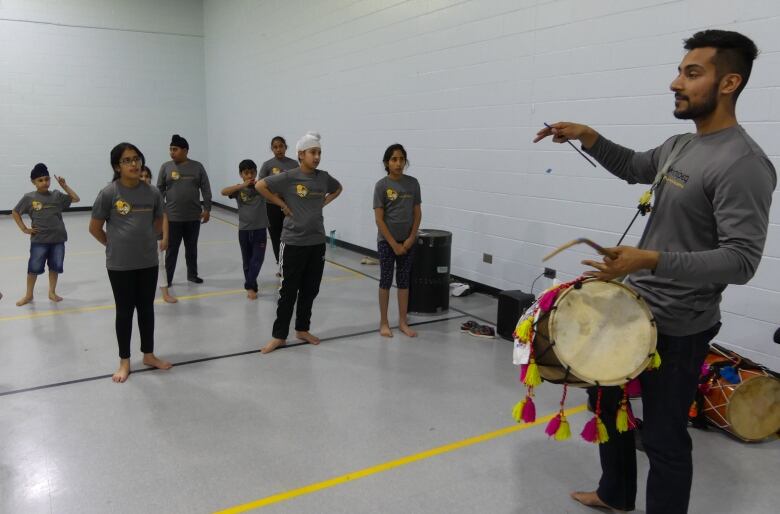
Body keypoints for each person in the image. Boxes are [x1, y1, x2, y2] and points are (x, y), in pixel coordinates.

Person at [534, 30, 775, 514]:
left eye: (691, 73)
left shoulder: (744, 164)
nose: (675, 82)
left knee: (664, 438)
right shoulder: (681, 144)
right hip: (632, 311)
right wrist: (587, 135)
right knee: (609, 409)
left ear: (729, 83)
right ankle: (615, 494)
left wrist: (651, 259)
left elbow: (742, 261)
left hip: (682, 326)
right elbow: (632, 165)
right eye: (680, 71)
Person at [89, 143, 173, 383]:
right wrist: (113, 245)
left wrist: (145, 240)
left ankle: (149, 354)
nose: (134, 164)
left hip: (147, 261)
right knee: (125, 311)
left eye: (136, 159)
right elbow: (94, 228)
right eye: (127, 160)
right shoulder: (109, 193)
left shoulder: (153, 193)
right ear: (118, 166)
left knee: (146, 309)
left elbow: (158, 223)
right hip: (120, 265)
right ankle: (124, 361)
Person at [255, 132, 342, 354]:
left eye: (319, 152)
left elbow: (338, 188)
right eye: (313, 152)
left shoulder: (323, 177)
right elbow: (260, 186)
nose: (317, 157)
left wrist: (323, 202)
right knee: (288, 291)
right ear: (301, 155)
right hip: (293, 242)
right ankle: (279, 335)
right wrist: (280, 204)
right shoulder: (289, 176)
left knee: (310, 289)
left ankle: (302, 328)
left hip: (316, 242)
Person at [12, 163, 80, 306]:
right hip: (39, 241)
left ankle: (52, 292)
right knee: (33, 269)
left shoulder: (56, 195)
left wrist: (64, 186)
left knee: (55, 267)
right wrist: (24, 228)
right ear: (33, 182)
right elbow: (15, 212)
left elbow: (75, 199)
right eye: (40, 180)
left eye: (46, 179)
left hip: (58, 239)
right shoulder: (29, 197)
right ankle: (29, 295)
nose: (44, 182)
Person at [373, 144, 422, 338]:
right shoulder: (382, 186)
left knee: (403, 281)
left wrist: (411, 238)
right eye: (394, 159)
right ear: (387, 163)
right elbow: (379, 219)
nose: (398, 163)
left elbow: (417, 213)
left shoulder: (413, 183)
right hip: (387, 242)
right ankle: (384, 322)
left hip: (407, 242)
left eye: (402, 159)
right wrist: (393, 243)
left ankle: (403, 321)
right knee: (385, 281)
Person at [157, 134, 212, 286]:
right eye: (170, 149)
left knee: (191, 249)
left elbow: (206, 188)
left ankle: (192, 275)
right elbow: (159, 190)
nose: (171, 152)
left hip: (193, 217)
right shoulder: (166, 167)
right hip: (172, 218)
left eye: (175, 149)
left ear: (185, 150)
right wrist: (160, 211)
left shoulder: (197, 166)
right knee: (171, 250)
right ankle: (167, 278)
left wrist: (207, 208)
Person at [221, 159, 268, 299]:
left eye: (252, 172)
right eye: (246, 173)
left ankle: (248, 284)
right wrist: (242, 186)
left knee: (258, 258)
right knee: (247, 260)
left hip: (260, 229)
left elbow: (275, 187)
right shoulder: (238, 189)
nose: (249, 176)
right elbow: (223, 191)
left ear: (255, 172)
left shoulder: (261, 186)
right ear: (241, 174)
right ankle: (252, 287)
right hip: (244, 230)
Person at [259, 136, 298, 272]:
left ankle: (292, 263)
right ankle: (281, 265)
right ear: (272, 149)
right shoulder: (267, 165)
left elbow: (298, 184)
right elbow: (260, 185)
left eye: (281, 146)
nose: (278, 149)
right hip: (272, 206)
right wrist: (273, 194)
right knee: (276, 236)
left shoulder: (294, 164)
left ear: (286, 147)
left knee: (290, 235)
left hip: (289, 206)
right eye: (275, 147)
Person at [140, 166, 177, 303]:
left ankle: (165, 293)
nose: (144, 179)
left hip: (155, 237)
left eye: (147, 176)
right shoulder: (129, 195)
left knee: (160, 265)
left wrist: (165, 237)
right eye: (141, 176)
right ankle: (141, 293)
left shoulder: (155, 194)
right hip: (137, 239)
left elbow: (164, 217)